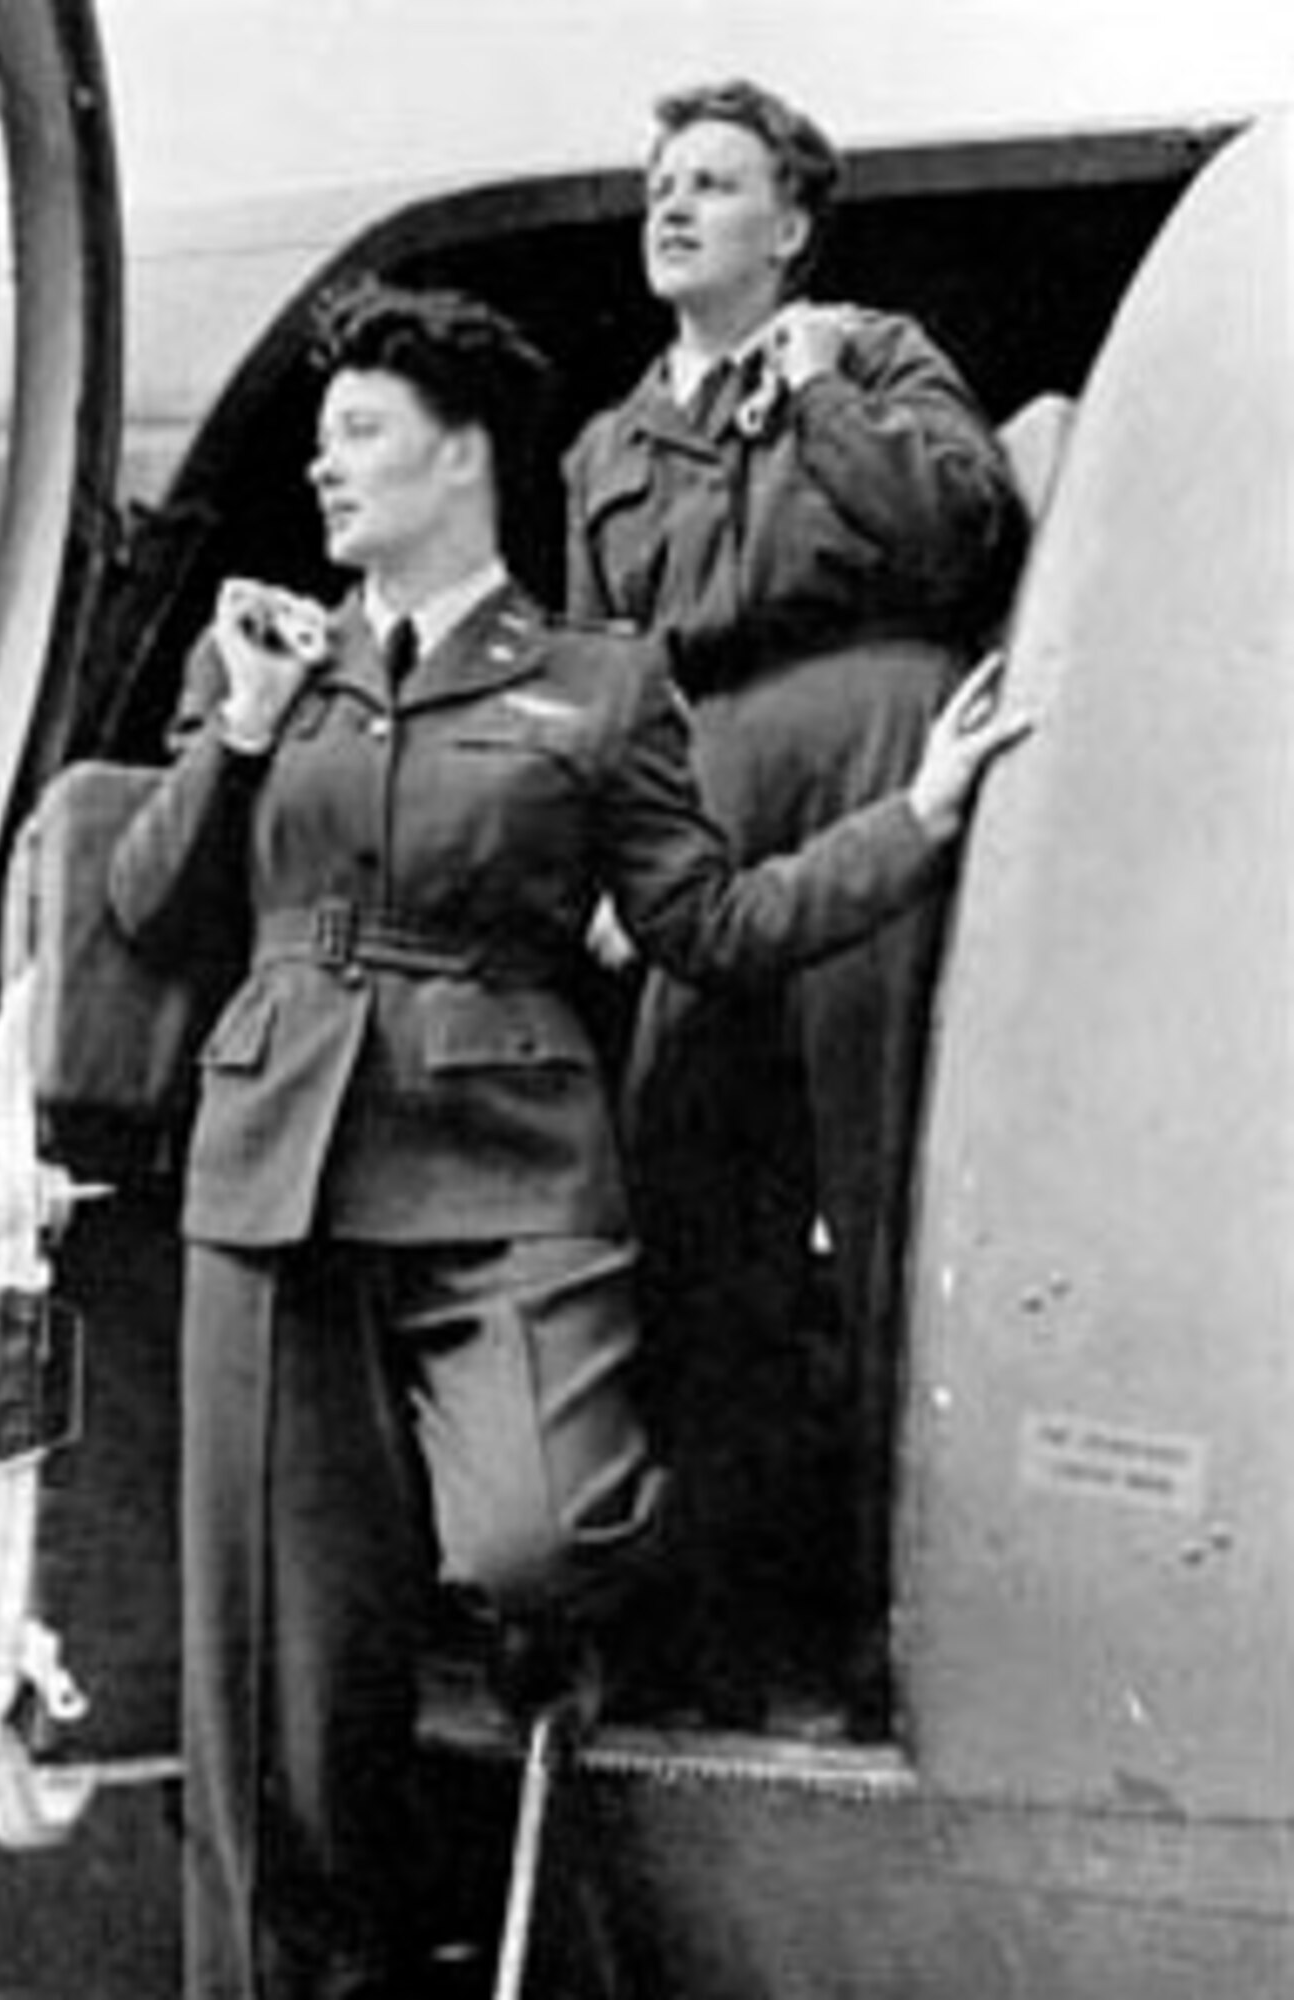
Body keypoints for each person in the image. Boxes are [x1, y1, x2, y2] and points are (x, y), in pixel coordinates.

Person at [108, 279, 1025, 2000]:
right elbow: (153, 908)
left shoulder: (600, 689)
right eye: (322, 445)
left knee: (543, 1533)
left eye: (359, 437)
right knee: (276, 1686)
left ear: (463, 463)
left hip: (498, 1165)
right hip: (273, 1184)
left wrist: (912, 818)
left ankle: (607, 1632)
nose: (325, 473)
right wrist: (231, 724)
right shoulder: (270, 670)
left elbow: (714, 926)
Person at [564, 79, 1028, 1716]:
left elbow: (950, 529)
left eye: (711, 183)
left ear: (791, 223)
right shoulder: (605, 449)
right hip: (695, 802)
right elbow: (590, 681)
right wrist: (612, 861)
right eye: (659, 186)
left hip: (870, 741)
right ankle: (723, 1641)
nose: (672, 208)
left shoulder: (875, 354)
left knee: (872, 1189)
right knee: (693, 1214)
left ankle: (888, 1647)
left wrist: (821, 393)